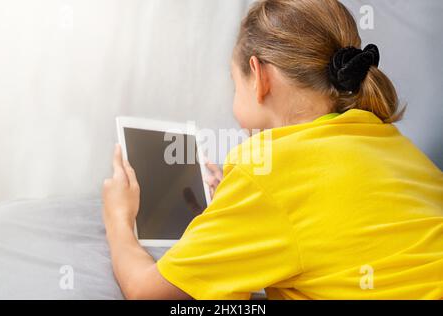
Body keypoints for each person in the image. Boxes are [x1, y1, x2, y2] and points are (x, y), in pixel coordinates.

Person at [102, 0, 443, 299]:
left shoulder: (266, 169)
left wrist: (118, 217)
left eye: (235, 84)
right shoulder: (394, 144)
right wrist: (244, 204)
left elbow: (148, 292)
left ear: (259, 75)